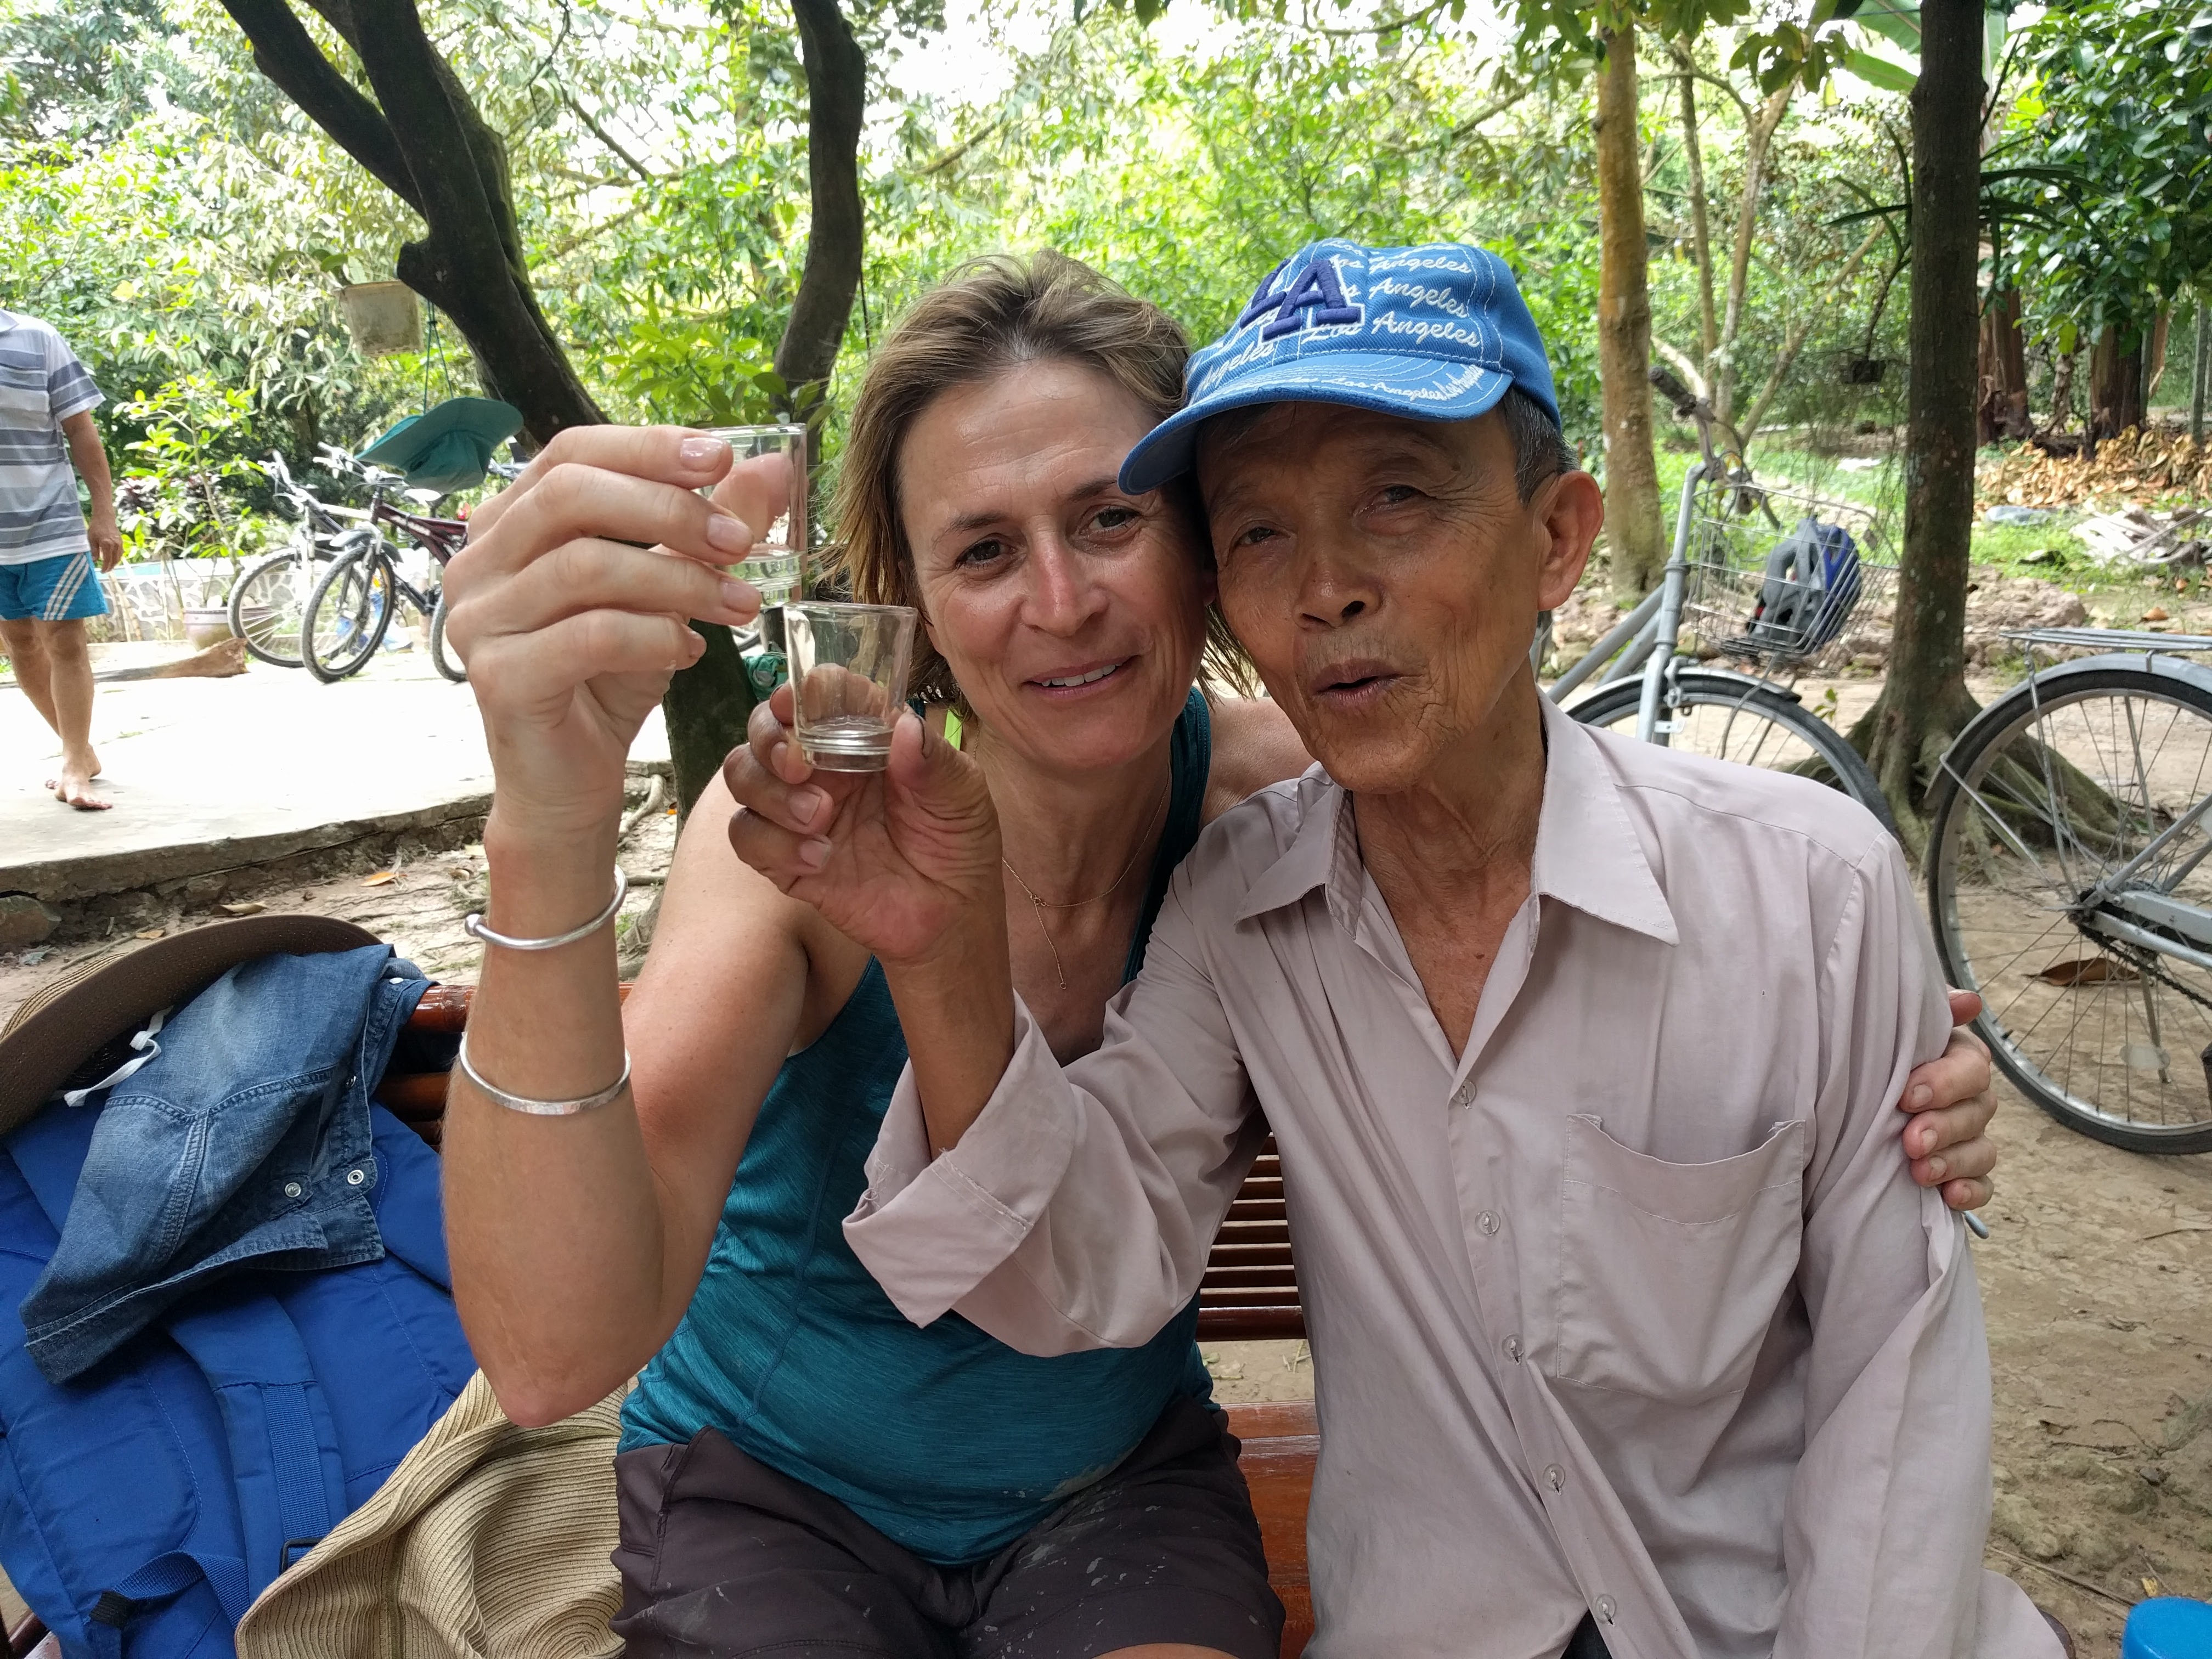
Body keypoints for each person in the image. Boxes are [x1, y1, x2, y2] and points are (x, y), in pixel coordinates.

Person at [438, 252, 1999, 1659]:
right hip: (786, 1491)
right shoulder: (853, 843)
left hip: (1117, 1495)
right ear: (912, 605)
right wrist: (552, 819)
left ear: (1194, 565)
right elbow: (563, 1353)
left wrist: (1848, 1010)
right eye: (983, 550)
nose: (1063, 602)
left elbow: (1559, 829)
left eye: (1111, 520)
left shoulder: (1283, 817)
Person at [0, 307, 120, 811]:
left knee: (65, 640)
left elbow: (82, 430)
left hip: (50, 523)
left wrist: (104, 514)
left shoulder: (37, 337)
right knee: (20, 643)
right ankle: (81, 752)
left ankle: (73, 763)